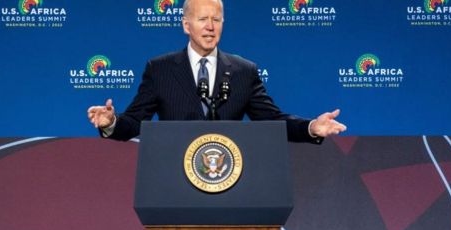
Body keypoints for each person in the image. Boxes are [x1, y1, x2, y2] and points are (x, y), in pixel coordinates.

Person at [87, 0, 346, 143]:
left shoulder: (244, 71)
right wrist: (112, 122)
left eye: (216, 19)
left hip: (229, 178)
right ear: (186, 26)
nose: (210, 27)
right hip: (174, 180)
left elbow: (272, 121)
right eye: (202, 20)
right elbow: (134, 123)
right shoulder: (160, 69)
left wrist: (312, 126)